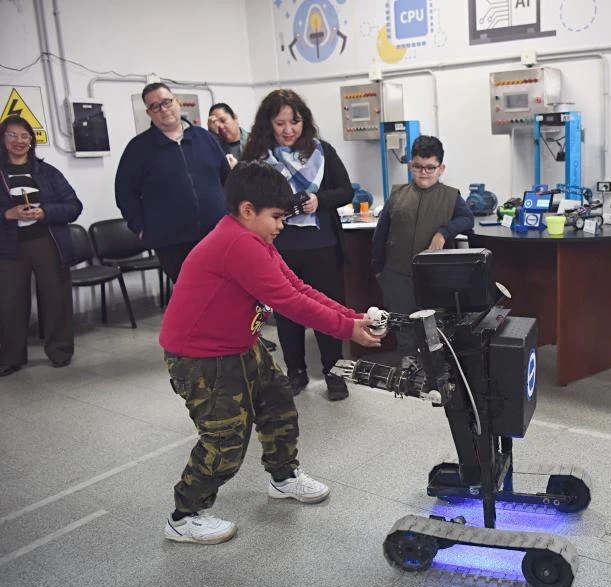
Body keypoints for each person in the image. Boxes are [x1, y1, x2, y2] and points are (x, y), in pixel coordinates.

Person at [160, 161, 383, 544]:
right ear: (248, 210)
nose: (282, 225)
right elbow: (287, 302)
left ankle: (283, 478)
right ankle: (185, 515)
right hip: (201, 357)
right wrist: (348, 330)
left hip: (239, 344)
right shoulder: (237, 244)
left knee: (278, 403)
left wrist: (353, 316)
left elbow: (297, 286)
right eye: (277, 217)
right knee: (225, 438)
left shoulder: (257, 240)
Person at [241, 89, 355, 400]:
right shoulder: (256, 161)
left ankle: (335, 372)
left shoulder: (322, 152)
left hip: (322, 246)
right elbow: (243, 201)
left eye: (295, 121)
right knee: (287, 315)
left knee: (327, 311)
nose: (289, 130)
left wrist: (319, 200)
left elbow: (346, 191)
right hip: (279, 248)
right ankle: (296, 372)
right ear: (268, 124)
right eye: (280, 123)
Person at [370, 135, 474, 359]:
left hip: (434, 277)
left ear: (441, 168)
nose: (424, 173)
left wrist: (443, 232)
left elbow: (467, 219)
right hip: (396, 274)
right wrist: (379, 269)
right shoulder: (398, 194)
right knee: (402, 324)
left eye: (430, 167)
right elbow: (381, 232)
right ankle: (408, 367)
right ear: (410, 165)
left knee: (433, 327)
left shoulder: (451, 196)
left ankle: (434, 372)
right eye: (418, 167)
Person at [115, 82, 230, 283]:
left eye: (167, 102)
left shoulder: (204, 138)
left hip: (217, 233)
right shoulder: (138, 149)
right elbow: (125, 193)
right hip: (172, 242)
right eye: (155, 106)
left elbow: (227, 178)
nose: (163, 109)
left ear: (177, 103)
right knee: (194, 295)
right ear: (149, 113)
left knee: (227, 290)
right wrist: (141, 228)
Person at [0, 115, 83, 376]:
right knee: (10, 301)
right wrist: (7, 215)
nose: (19, 141)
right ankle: (11, 358)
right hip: (8, 247)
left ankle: (60, 351)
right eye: (13, 135)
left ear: (32, 141)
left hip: (47, 242)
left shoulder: (47, 172)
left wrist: (44, 211)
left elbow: (73, 206)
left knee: (56, 296)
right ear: (3, 139)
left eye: (25, 136)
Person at [208, 102, 249, 167]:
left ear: (235, 118)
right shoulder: (215, 147)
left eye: (223, 120)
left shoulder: (254, 142)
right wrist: (211, 134)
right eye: (216, 124)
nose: (221, 126)